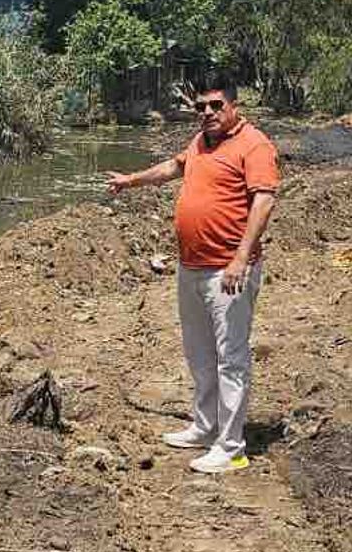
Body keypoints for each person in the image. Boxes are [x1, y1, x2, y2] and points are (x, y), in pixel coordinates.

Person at [107, 81, 279, 474]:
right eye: (201, 106)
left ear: (234, 106)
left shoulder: (255, 145)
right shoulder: (201, 141)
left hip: (228, 269)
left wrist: (240, 258)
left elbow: (264, 200)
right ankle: (205, 426)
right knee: (200, 355)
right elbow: (174, 167)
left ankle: (231, 447)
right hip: (191, 267)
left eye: (216, 105)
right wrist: (131, 180)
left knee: (230, 359)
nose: (207, 112)